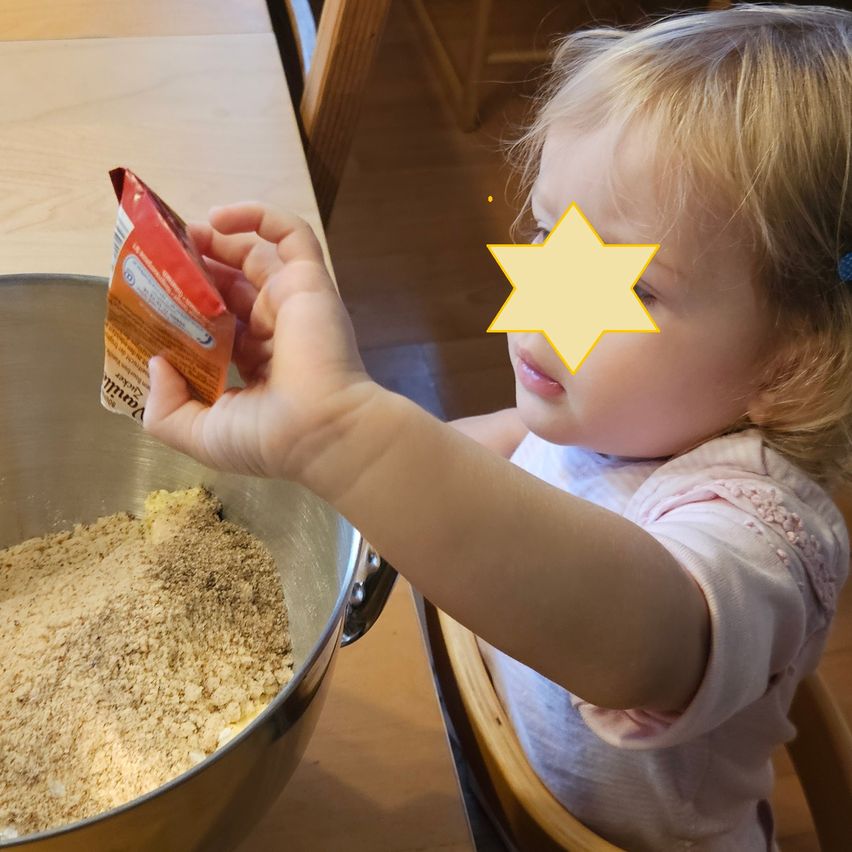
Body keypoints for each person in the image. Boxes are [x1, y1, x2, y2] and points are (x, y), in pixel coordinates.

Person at [143, 4, 852, 849]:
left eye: (629, 287)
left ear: (793, 361)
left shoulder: (764, 538)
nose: (543, 307)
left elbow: (625, 634)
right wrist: (322, 426)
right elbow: (499, 452)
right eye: (552, 236)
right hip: (478, 745)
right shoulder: (622, 411)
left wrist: (341, 432)